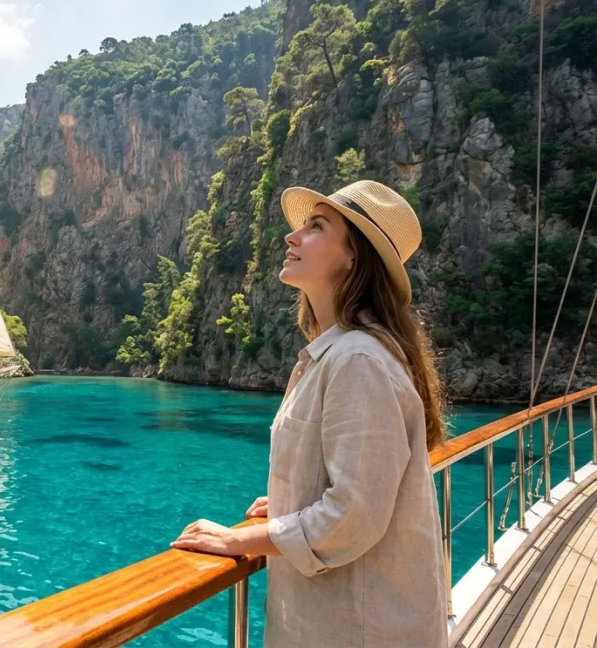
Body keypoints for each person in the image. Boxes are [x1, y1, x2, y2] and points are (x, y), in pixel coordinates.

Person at [170, 180, 449, 647]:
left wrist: (238, 542)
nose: (291, 237)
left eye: (316, 227)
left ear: (354, 257)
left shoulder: (358, 359)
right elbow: (358, 479)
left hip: (359, 630)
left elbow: (354, 514)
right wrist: (291, 500)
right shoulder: (339, 353)